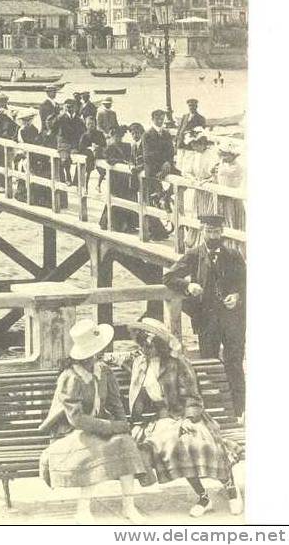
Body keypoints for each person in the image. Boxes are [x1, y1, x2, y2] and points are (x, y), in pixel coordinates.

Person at [118, 318, 242, 517]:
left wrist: (188, 419)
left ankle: (231, 490)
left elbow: (193, 397)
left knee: (201, 445)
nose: (146, 349)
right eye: (143, 344)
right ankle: (204, 497)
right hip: (160, 420)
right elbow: (127, 365)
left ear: (160, 345)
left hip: (186, 414)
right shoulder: (140, 362)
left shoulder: (177, 363)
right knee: (174, 448)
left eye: (150, 345)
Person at [38, 320, 148, 524]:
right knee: (95, 448)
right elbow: (76, 419)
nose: (96, 356)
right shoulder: (70, 378)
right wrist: (111, 427)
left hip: (97, 429)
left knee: (125, 443)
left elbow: (116, 404)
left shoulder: (104, 371)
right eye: (93, 352)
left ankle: (128, 506)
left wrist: (123, 426)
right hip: (68, 433)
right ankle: (82, 508)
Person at [162, 215, 247, 418]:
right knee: (208, 365)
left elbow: (247, 284)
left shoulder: (234, 256)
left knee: (234, 364)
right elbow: (168, 277)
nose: (213, 236)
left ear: (222, 233)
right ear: (202, 232)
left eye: (216, 232)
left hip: (232, 321)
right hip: (207, 321)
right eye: (209, 231)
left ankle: (239, 411)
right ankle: (210, 412)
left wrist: (238, 297)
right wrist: (188, 285)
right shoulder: (194, 255)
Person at [212, 141, 245, 256]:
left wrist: (217, 168)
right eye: (223, 155)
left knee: (231, 222)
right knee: (222, 222)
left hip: (231, 199)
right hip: (223, 198)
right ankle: (223, 246)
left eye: (226, 155)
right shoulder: (224, 165)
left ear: (233, 156)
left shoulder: (236, 167)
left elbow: (226, 176)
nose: (223, 158)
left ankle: (232, 249)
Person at [56, 98, 86, 185]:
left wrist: (77, 146)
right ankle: (67, 177)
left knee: (84, 158)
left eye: (72, 107)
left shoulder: (79, 120)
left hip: (74, 144)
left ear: (76, 108)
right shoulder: (61, 118)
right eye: (68, 107)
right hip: (64, 144)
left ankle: (78, 181)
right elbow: (55, 129)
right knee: (65, 159)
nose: (70, 109)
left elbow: (82, 133)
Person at [77, 114, 106, 190]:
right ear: (86, 125)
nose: (91, 126)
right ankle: (86, 186)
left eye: (92, 124)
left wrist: (98, 146)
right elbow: (80, 148)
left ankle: (98, 185)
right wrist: (89, 149)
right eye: (88, 124)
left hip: (98, 155)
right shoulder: (85, 135)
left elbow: (104, 144)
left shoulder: (99, 134)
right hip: (89, 156)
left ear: (95, 124)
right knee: (88, 171)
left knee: (103, 172)